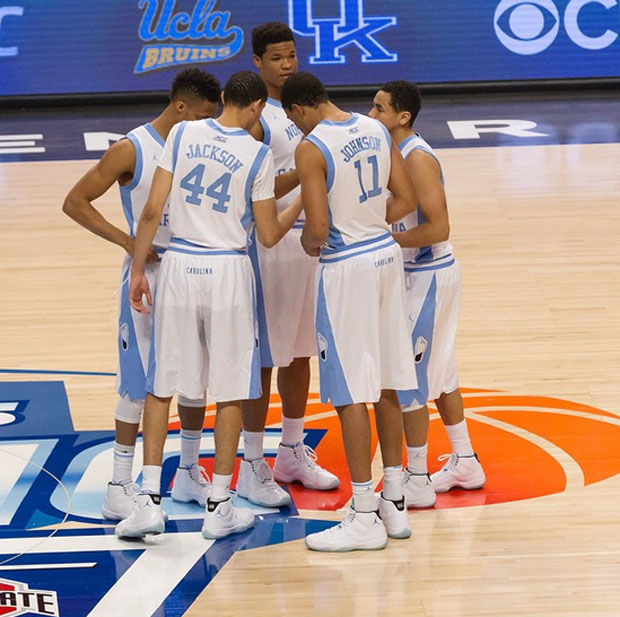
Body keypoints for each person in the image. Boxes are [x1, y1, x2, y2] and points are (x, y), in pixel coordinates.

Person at [115, 70, 304, 540]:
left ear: (222, 99)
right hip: (227, 269)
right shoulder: (260, 155)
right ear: (259, 107)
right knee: (231, 388)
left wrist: (139, 270)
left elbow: (151, 211)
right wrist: (303, 199)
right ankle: (220, 506)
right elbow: (266, 233)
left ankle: (150, 502)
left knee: (162, 385)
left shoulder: (182, 133)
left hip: (178, 263)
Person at [62, 68, 221, 520]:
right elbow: (75, 201)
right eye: (204, 115)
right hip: (148, 276)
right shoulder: (131, 148)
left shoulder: (200, 145)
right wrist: (129, 242)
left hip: (194, 270)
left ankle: (188, 472)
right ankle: (119, 484)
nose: (208, 124)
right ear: (180, 107)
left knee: (195, 377)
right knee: (140, 384)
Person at [281, 72, 419, 552]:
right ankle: (394, 503)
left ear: (298, 110)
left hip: (347, 267)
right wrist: (372, 224)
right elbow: (406, 199)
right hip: (385, 255)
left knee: (347, 392)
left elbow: (316, 227)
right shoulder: (375, 128)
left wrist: (306, 238)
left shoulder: (311, 147)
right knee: (385, 382)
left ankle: (363, 513)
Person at [368, 80, 486, 507]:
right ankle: (466, 461)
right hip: (412, 273)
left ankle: (416, 480)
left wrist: (382, 241)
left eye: (380, 109)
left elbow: (439, 228)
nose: (371, 114)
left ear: (403, 117)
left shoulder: (417, 158)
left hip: (428, 273)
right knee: (441, 371)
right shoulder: (388, 153)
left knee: (408, 379)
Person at [236, 22, 338, 509]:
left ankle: (292, 450)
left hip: (310, 242)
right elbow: (252, 185)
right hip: (270, 243)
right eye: (277, 57)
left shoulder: (307, 105)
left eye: (292, 55)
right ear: (258, 62)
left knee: (301, 351)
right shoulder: (255, 116)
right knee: (262, 356)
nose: (287, 64)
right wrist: (309, 168)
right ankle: (252, 461)